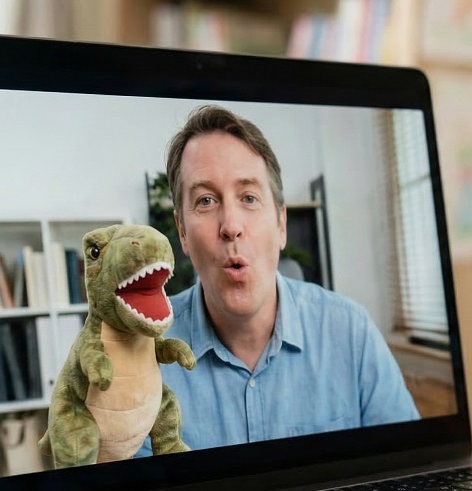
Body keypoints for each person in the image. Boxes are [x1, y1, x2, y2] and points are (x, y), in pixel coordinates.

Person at [142, 104, 419, 454]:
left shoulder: (351, 332)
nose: (231, 226)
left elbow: (410, 471)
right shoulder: (143, 355)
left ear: (281, 224)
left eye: (249, 198)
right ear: (182, 232)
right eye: (206, 200)